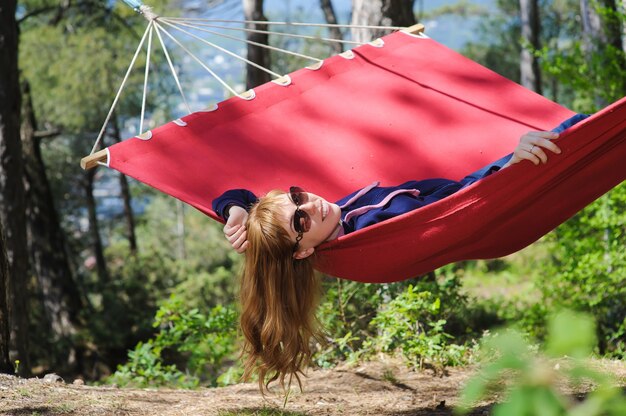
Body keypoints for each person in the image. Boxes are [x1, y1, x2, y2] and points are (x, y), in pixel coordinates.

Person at [211, 114, 589, 392]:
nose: (310, 206)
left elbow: (240, 195)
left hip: (478, 174)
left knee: (585, 125)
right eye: (299, 222)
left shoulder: (331, 213)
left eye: (298, 196)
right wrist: (510, 166)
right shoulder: (367, 236)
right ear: (301, 253)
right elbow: (465, 203)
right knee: (580, 135)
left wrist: (235, 210)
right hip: (491, 187)